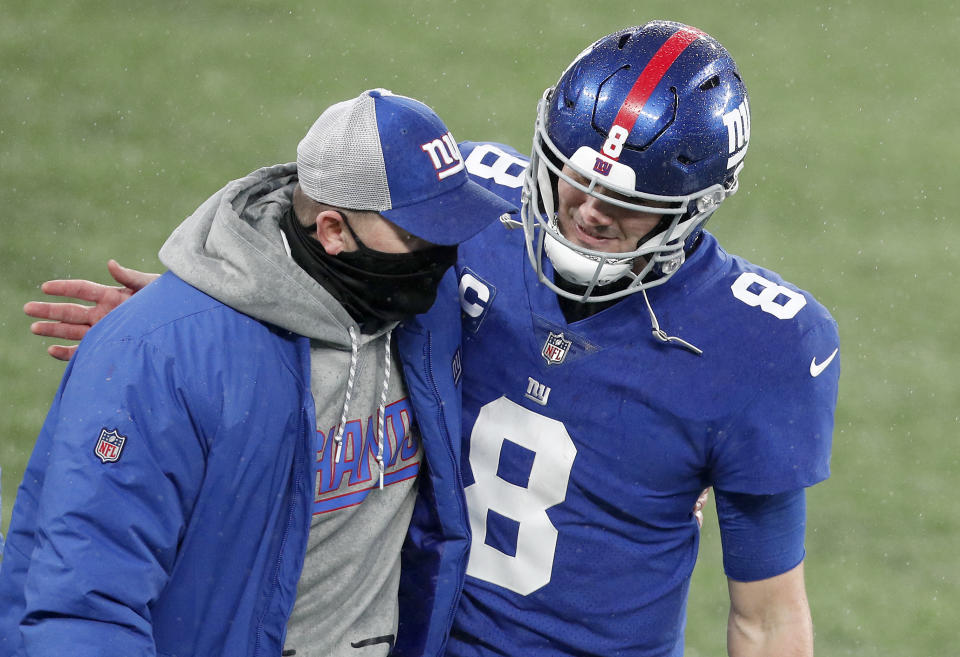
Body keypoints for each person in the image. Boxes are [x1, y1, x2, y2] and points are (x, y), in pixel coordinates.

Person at [19, 21, 839, 657]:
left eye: (626, 207)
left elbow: (766, 617)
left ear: (695, 206)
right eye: (573, 177)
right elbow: (324, 233)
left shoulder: (761, 345)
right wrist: (201, 321)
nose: (586, 211)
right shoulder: (470, 211)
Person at [0, 88, 516, 657]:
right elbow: (84, 604)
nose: (443, 253)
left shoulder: (425, 312)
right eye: (418, 235)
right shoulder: (162, 359)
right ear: (333, 231)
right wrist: (179, 336)